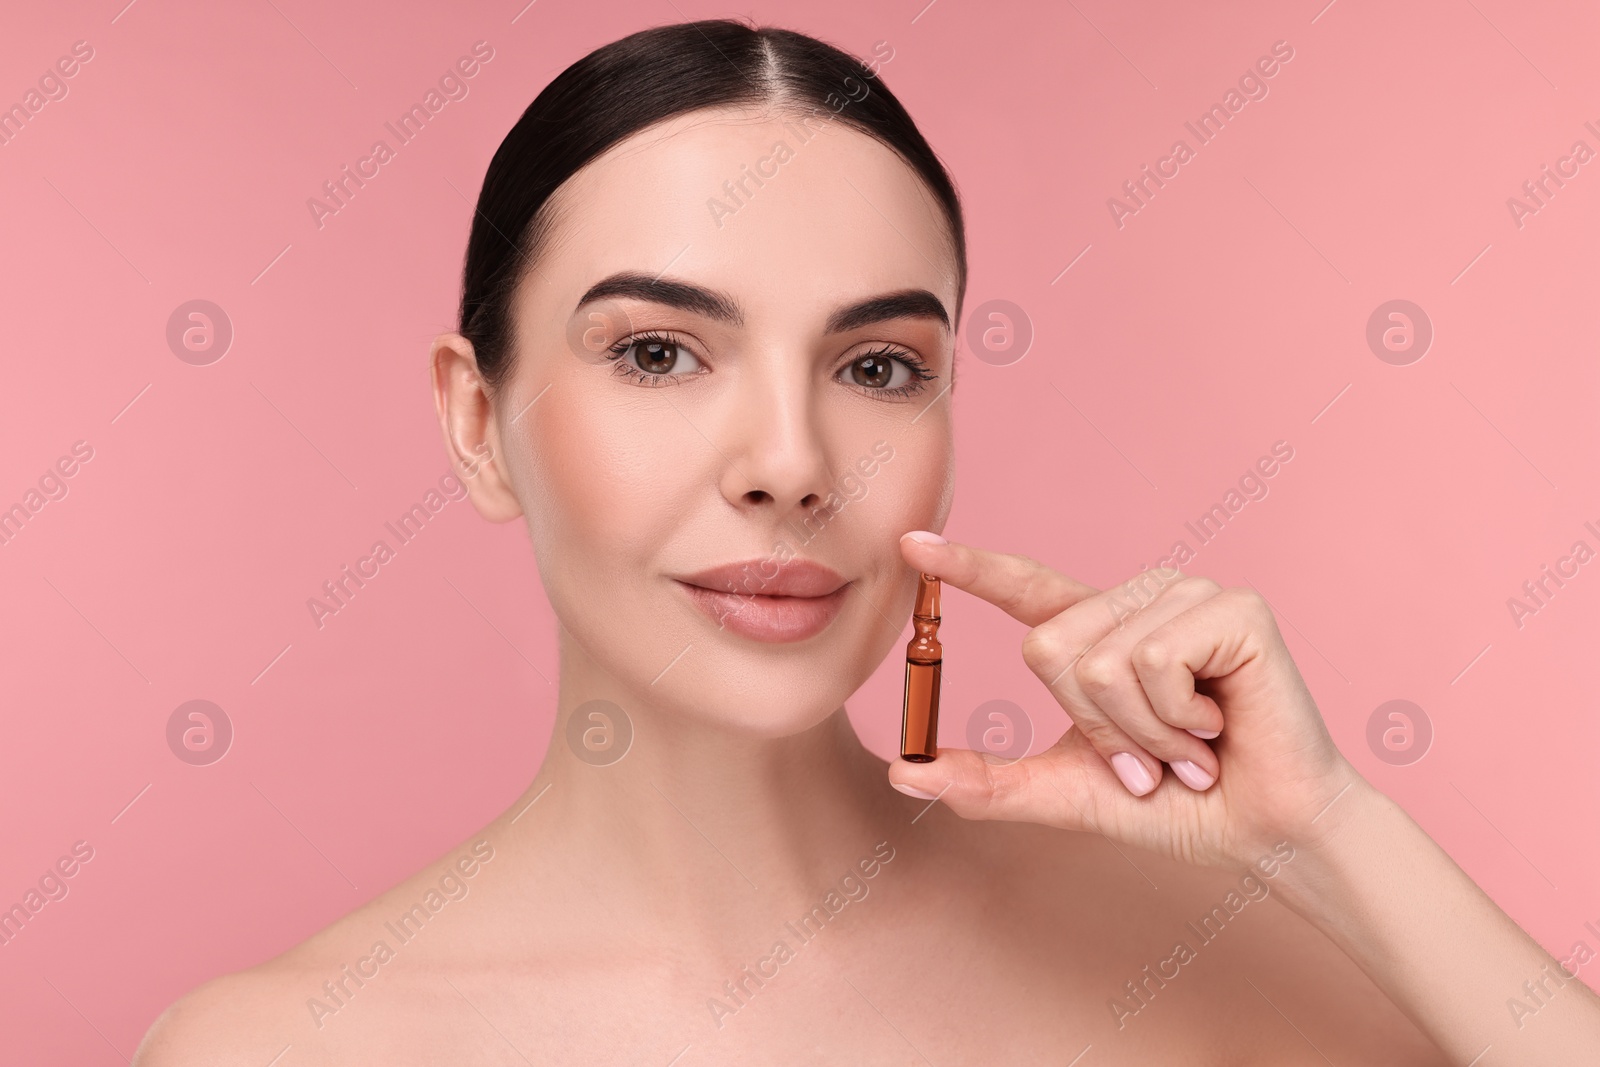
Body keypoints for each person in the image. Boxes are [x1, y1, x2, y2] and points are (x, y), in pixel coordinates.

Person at [135, 19, 1600, 1065]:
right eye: (657, 353)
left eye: (878, 368)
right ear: (476, 420)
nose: (789, 463)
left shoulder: (1221, 959)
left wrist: (1334, 832)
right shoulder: (282, 1046)